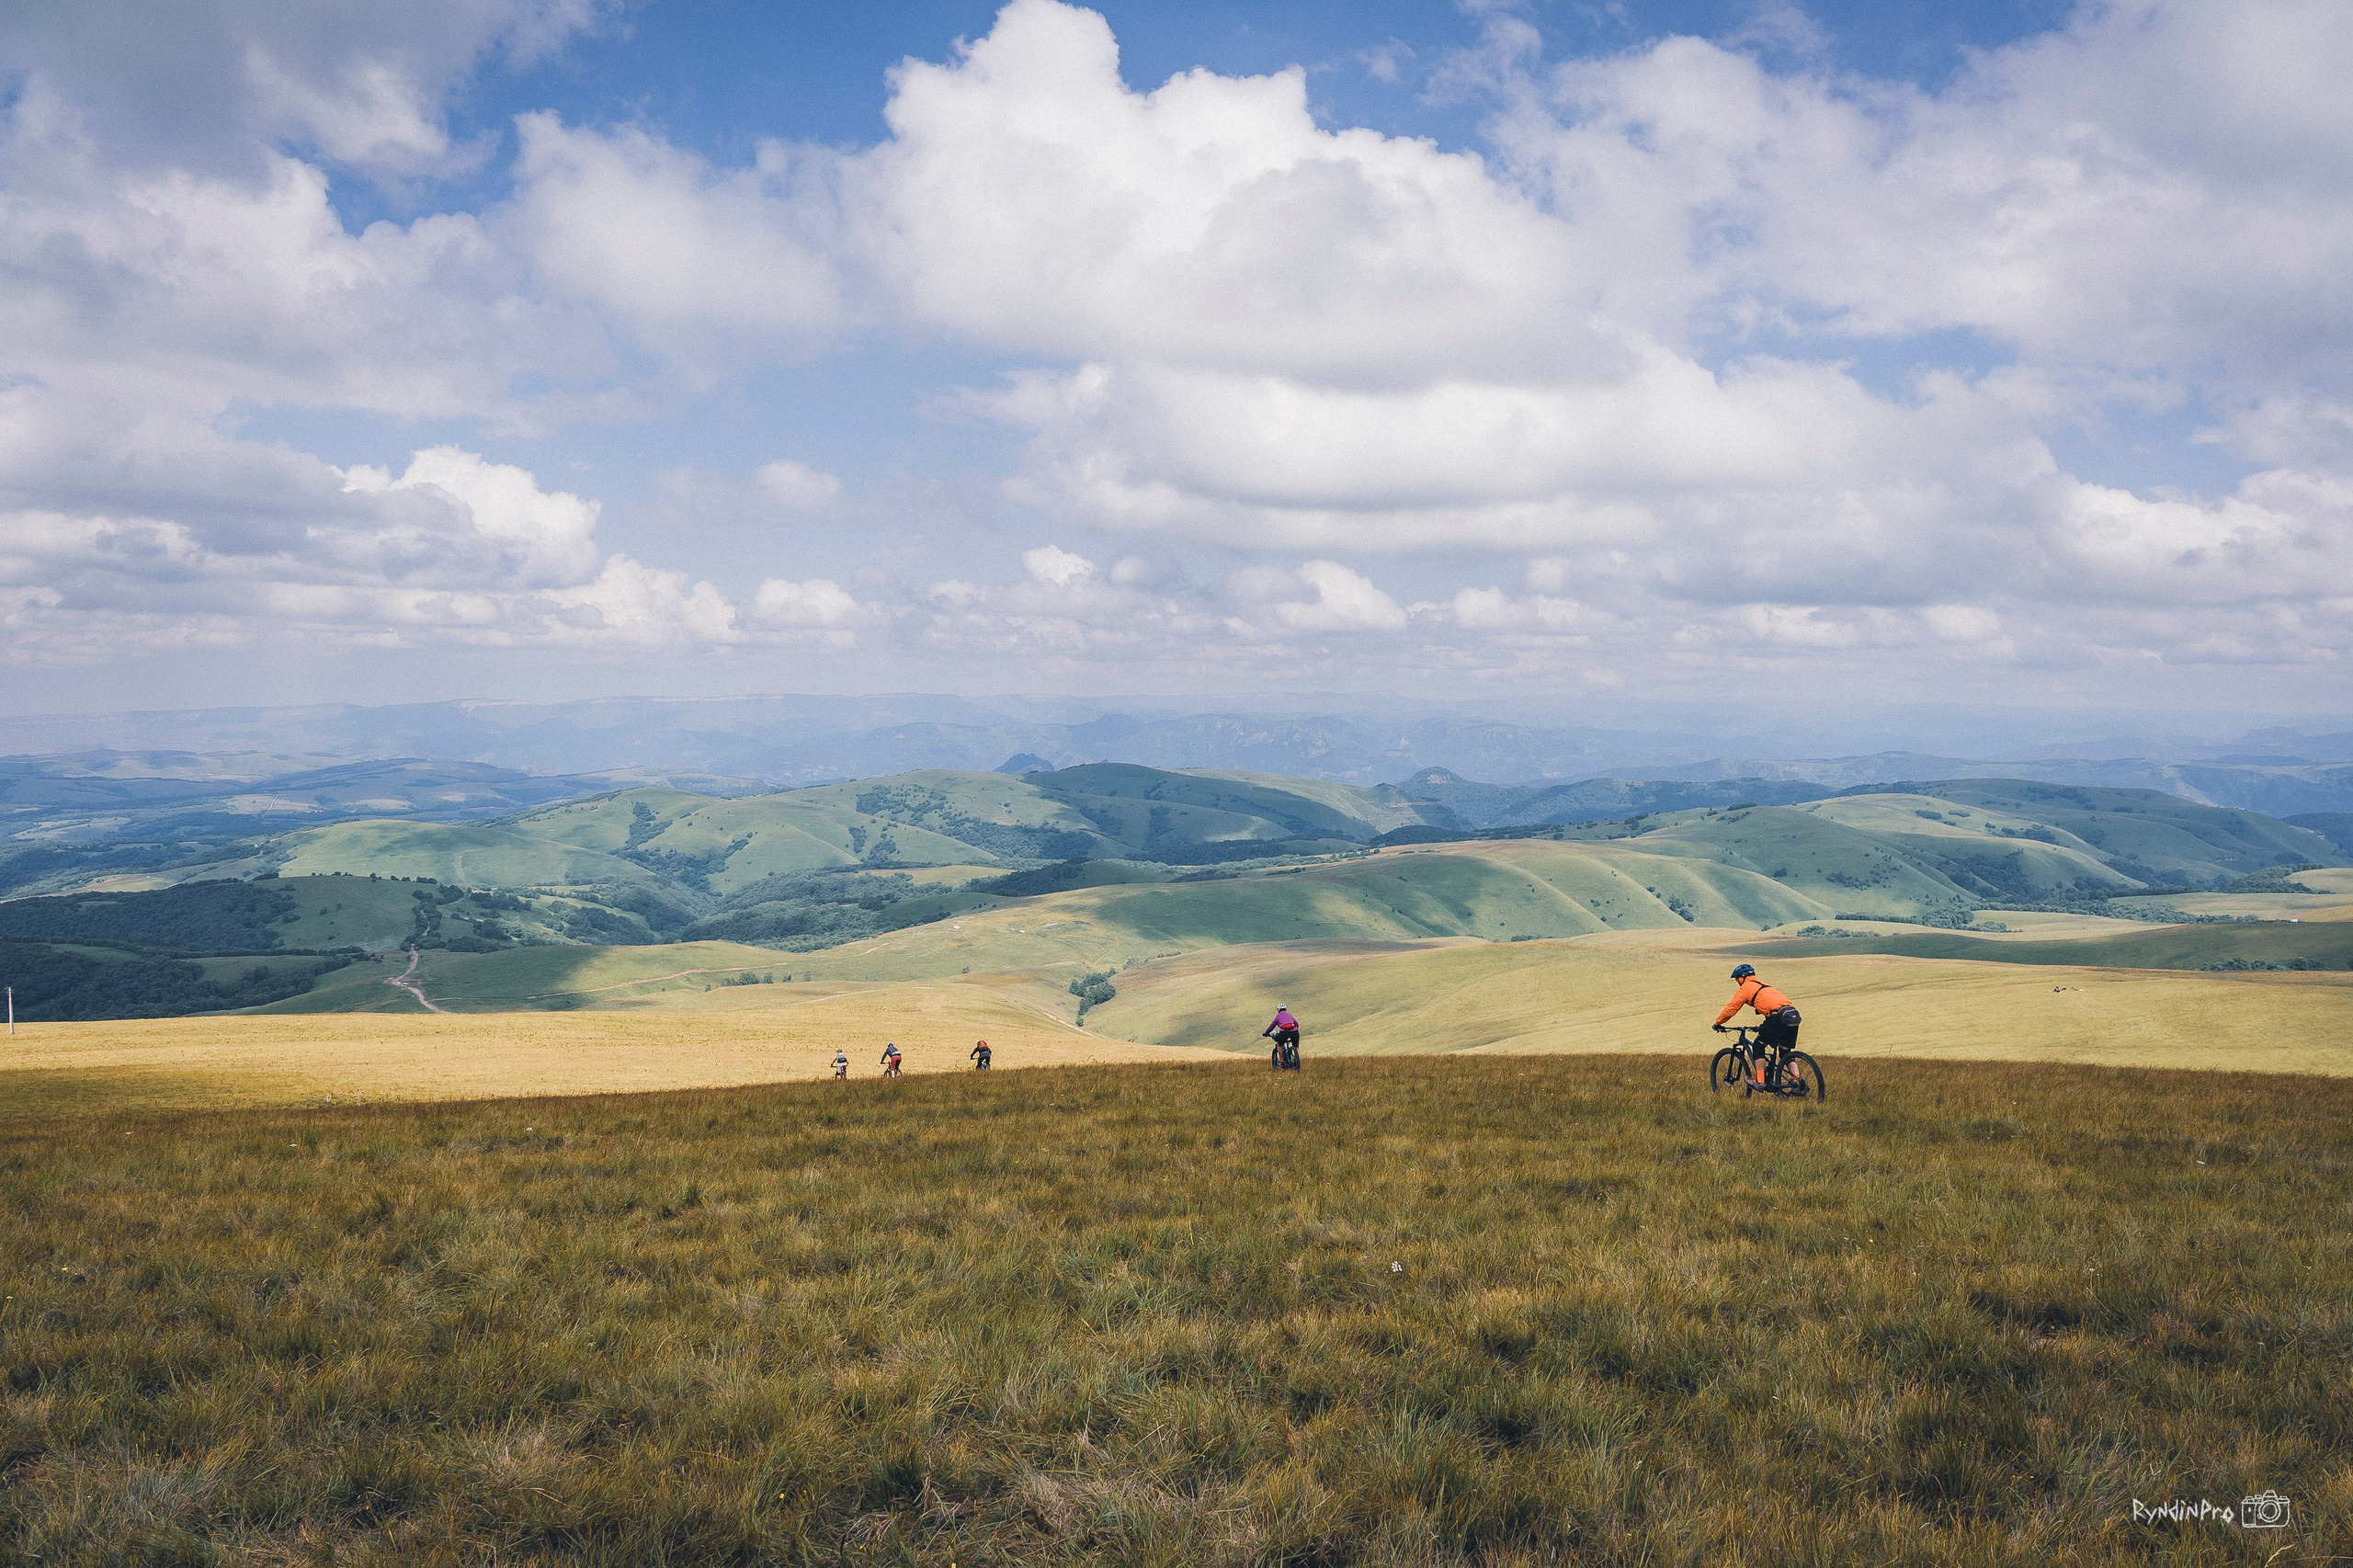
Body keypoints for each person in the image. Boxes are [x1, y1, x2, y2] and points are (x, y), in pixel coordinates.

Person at [1714, 963, 1799, 1085]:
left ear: (1742, 977)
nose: (1738, 982)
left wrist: (1718, 1022)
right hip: (1792, 1016)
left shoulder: (1746, 988)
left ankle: (1760, 1080)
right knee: (1786, 1052)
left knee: (1758, 1047)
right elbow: (1769, 1004)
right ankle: (1797, 1080)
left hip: (1776, 1018)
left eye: (1737, 979)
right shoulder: (1764, 986)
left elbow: (1732, 1008)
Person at [1263, 1005, 1301, 1069]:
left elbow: (1271, 1026)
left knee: (1280, 1045)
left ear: (1278, 1010)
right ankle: (1297, 1060)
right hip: (1294, 1031)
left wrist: (1265, 1033)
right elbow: (1296, 1023)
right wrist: (1295, 1030)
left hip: (1284, 1032)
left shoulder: (1278, 1016)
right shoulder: (1289, 1015)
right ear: (1285, 1009)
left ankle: (1282, 1061)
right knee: (1296, 1046)